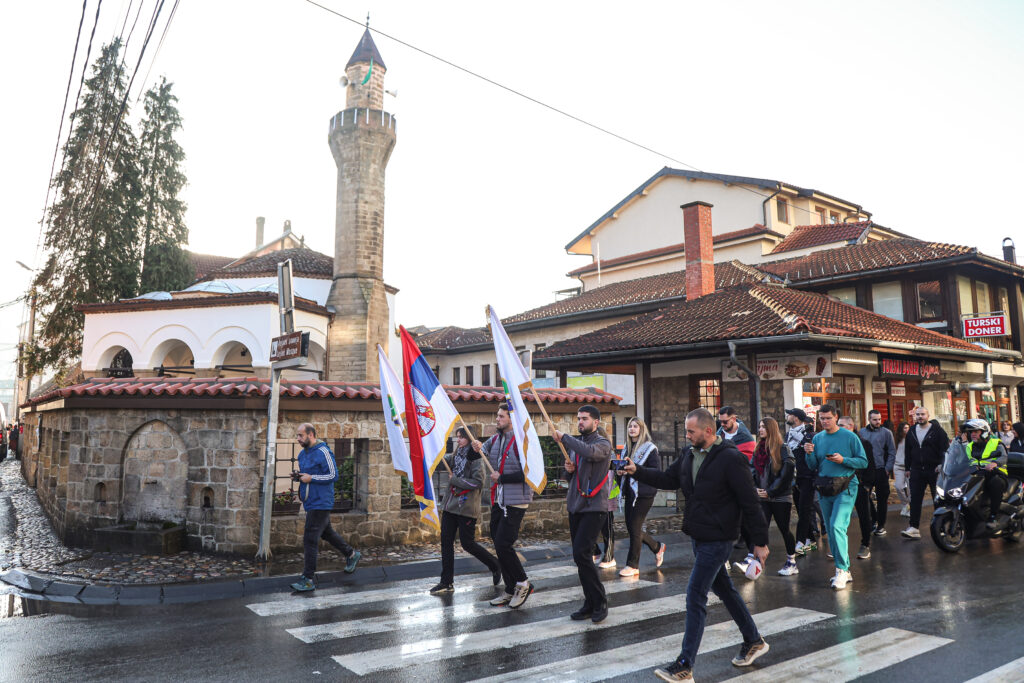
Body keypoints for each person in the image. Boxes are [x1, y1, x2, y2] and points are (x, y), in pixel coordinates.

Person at [622, 408, 770, 680]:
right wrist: (637, 471)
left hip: (721, 537)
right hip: (699, 535)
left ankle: (684, 665)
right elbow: (668, 479)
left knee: (695, 594)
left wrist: (760, 542)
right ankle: (754, 640)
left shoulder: (730, 458)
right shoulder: (689, 454)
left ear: (709, 431)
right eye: (687, 431)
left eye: (691, 431)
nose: (687, 435)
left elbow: (750, 501)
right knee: (725, 589)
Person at [555, 405, 613, 623]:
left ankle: (600, 602)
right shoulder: (575, 446)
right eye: (578, 419)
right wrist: (567, 471)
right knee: (581, 558)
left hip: (595, 507)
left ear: (595, 422)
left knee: (582, 553)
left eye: (584, 419)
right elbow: (572, 476)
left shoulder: (602, 444)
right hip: (576, 506)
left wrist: (564, 437)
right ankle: (589, 603)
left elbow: (589, 453)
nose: (580, 422)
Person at [290, 423, 360, 592]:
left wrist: (311, 478)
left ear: (311, 435)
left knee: (310, 539)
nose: (298, 439)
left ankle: (307, 579)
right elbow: (307, 476)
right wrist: (299, 477)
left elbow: (333, 475)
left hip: (321, 502)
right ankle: (351, 554)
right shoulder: (302, 454)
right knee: (327, 533)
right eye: (297, 436)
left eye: (301, 435)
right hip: (310, 501)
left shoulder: (323, 451)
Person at [430, 428, 501, 595]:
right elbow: (442, 461)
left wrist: (455, 480)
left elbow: (478, 482)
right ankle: (446, 581)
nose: (459, 440)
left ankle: (495, 564)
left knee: (467, 543)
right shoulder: (456, 455)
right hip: (450, 506)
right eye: (458, 437)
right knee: (446, 542)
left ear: (470, 439)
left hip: (466, 507)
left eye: (462, 437)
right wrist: (431, 451)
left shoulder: (476, 458)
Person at [805, 405, 867, 590]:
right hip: (825, 486)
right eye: (822, 418)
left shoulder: (850, 436)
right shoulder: (818, 438)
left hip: (847, 485)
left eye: (828, 418)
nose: (824, 421)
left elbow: (863, 461)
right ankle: (845, 569)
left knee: (836, 525)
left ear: (836, 417)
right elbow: (813, 465)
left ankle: (841, 570)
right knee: (831, 529)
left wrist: (844, 460)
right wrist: (808, 454)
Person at [479, 403, 534, 608]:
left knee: (504, 543)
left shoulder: (522, 442)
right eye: (497, 416)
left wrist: (501, 478)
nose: (497, 419)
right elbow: (474, 455)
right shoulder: (495, 439)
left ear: (511, 419)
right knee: (497, 542)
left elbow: (528, 474)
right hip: (499, 499)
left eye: (501, 416)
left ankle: (523, 582)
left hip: (516, 500)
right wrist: (474, 447)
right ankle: (510, 589)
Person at [616, 417, 666, 577]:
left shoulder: (650, 449)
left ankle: (633, 565)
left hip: (644, 493)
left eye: (635, 426)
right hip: (631, 493)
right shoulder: (626, 448)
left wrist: (635, 469)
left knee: (635, 527)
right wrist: (619, 472)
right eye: (630, 426)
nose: (632, 429)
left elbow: (655, 471)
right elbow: (624, 472)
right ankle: (657, 547)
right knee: (632, 528)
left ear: (641, 429)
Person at [750, 417, 798, 576]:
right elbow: (752, 471)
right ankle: (753, 558)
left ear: (771, 428)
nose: (760, 429)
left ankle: (792, 561)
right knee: (759, 527)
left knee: (784, 529)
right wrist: (755, 488)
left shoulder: (782, 448)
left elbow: (787, 472)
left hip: (780, 497)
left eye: (764, 427)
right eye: (759, 426)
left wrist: (771, 491)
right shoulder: (759, 448)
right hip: (762, 496)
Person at [901, 406, 950, 539]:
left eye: (923, 414)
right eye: (918, 415)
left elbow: (945, 449)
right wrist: (907, 468)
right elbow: (908, 451)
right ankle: (914, 528)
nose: (920, 417)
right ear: (915, 416)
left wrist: (941, 465)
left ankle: (941, 527)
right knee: (915, 499)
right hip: (916, 470)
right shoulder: (911, 431)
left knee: (938, 499)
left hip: (934, 470)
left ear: (928, 416)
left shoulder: (937, 431)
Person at [786, 409, 823, 556]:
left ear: (795, 418)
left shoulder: (809, 436)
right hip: (795, 478)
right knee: (802, 509)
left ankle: (800, 542)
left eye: (789, 414)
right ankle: (811, 540)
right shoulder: (788, 435)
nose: (787, 417)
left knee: (804, 508)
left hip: (808, 477)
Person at [963, 419, 1010, 528]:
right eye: (971, 432)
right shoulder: (969, 446)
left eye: (976, 431)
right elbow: (963, 460)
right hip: (978, 474)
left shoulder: (996, 442)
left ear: (984, 432)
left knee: (995, 483)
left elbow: (1004, 456)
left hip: (996, 474)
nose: (972, 434)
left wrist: (995, 463)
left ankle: (993, 516)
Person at [858, 410, 896, 538]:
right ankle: (873, 520)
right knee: (864, 497)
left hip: (881, 470)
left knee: (882, 499)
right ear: (869, 419)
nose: (878, 422)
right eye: (875, 419)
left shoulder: (887, 433)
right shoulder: (862, 432)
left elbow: (892, 451)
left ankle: (881, 525)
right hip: (866, 470)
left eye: (879, 419)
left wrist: (887, 468)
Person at [844, 417, 876, 561]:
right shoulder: (839, 443)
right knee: (841, 516)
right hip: (842, 485)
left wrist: (867, 485)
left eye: (842, 425)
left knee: (864, 515)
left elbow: (869, 464)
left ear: (851, 426)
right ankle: (838, 546)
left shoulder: (863, 443)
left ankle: (865, 544)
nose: (839, 427)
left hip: (860, 484)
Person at [592, 462, 617, 570]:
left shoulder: (605, 445)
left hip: (606, 484)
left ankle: (609, 556)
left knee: (606, 523)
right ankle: (595, 550)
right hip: (593, 485)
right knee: (590, 520)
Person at [893, 422, 912, 517]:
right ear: (901, 429)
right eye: (905, 428)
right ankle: (905, 505)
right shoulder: (897, 439)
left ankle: (910, 507)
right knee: (898, 486)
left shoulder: (912, 438)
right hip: (898, 466)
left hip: (910, 467)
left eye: (908, 428)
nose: (907, 430)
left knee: (910, 490)